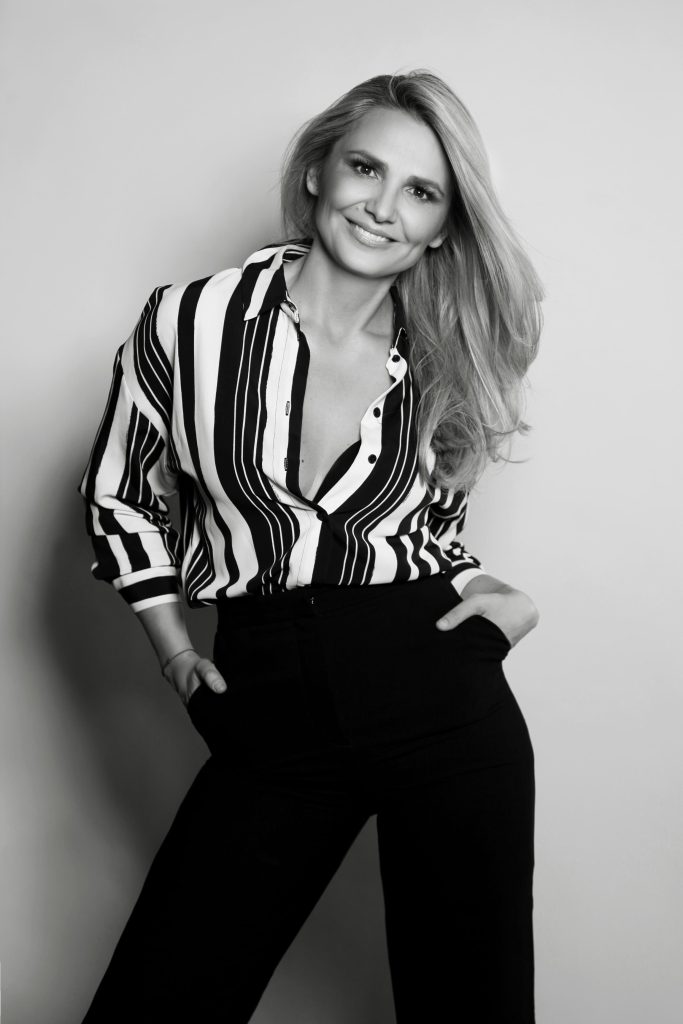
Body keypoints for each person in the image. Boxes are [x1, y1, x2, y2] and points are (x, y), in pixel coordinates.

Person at [76, 69, 543, 1023]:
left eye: (420, 192)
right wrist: (172, 649)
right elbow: (119, 491)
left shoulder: (444, 353)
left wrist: (496, 602)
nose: (382, 207)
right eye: (365, 169)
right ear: (319, 172)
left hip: (439, 699)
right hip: (269, 704)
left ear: (442, 226)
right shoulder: (191, 322)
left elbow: (422, 528)